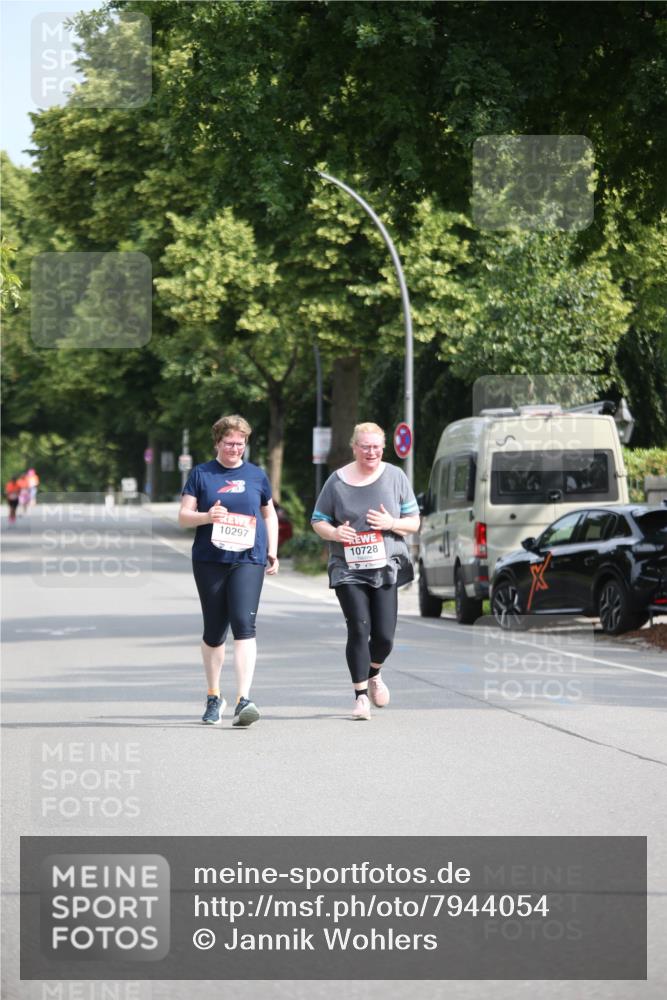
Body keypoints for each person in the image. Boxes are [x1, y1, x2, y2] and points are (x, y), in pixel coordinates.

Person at [311, 422, 420, 720]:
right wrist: (335, 533)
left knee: (384, 637)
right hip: (347, 568)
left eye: (376, 447)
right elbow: (318, 520)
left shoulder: (395, 476)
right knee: (359, 627)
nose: (371, 452)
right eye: (365, 447)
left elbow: (414, 522)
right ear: (354, 447)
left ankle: (374, 672)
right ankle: (360, 697)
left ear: (383, 448)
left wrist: (391, 524)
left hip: (384, 567)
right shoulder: (337, 481)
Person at [179, 414, 279, 727]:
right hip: (210, 560)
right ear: (217, 443)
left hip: (248, 557)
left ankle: (243, 699)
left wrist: (273, 550)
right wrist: (207, 516)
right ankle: (214, 696)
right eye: (229, 443)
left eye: (240, 443)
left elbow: (269, 514)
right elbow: (183, 516)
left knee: (244, 625)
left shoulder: (256, 475)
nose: (235, 448)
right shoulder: (202, 473)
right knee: (214, 631)